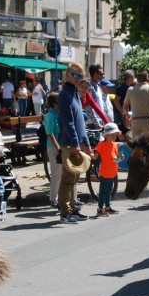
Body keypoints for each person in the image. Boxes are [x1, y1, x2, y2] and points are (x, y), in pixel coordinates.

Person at [57, 62, 92, 224]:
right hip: (70, 143)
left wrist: (86, 142)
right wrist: (76, 143)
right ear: (68, 75)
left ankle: (72, 209)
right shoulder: (65, 94)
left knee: (74, 179)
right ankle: (65, 213)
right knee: (67, 179)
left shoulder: (74, 93)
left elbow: (80, 122)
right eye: (76, 75)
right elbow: (68, 122)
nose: (78, 79)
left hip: (77, 142)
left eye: (81, 76)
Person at [123, 71, 149, 139]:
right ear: (147, 79)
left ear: (137, 79)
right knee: (148, 143)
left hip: (136, 121)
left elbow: (125, 107)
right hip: (148, 121)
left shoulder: (131, 90)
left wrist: (128, 116)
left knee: (136, 143)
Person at [93, 122, 122, 216]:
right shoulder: (101, 144)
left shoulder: (115, 144)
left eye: (115, 135)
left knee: (109, 190)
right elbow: (95, 156)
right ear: (106, 135)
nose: (114, 137)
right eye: (112, 135)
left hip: (112, 172)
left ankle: (107, 207)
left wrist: (120, 159)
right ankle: (100, 209)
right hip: (105, 172)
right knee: (103, 191)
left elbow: (115, 160)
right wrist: (88, 154)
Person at [43, 91, 62, 208]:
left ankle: (60, 198)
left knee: (62, 173)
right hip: (53, 147)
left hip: (60, 146)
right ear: (55, 103)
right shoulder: (50, 115)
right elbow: (50, 134)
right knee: (56, 174)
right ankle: (53, 199)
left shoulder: (58, 114)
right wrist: (58, 147)